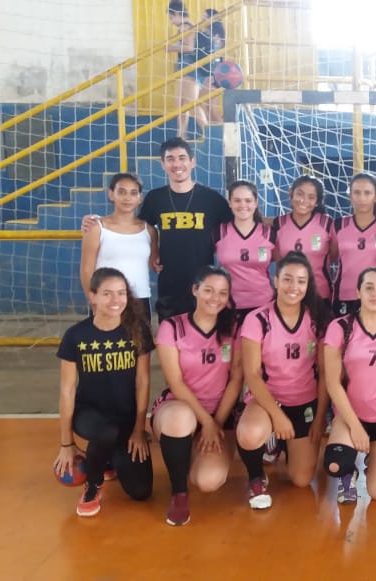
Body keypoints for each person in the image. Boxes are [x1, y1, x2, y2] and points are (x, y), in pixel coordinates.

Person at [54, 267, 154, 517]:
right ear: (92, 296)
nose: (115, 300)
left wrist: (139, 431)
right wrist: (67, 443)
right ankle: (93, 483)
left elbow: (143, 381)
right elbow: (67, 390)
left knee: (141, 491)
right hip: (90, 415)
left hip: (126, 419)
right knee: (104, 431)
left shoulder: (137, 331)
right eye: (107, 294)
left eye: (121, 293)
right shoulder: (76, 336)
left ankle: (110, 458)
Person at [236, 252, 332, 509]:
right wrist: (277, 415)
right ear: (275, 281)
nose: (294, 287)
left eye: (301, 281)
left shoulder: (318, 318)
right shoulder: (257, 319)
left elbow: (325, 373)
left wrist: (321, 416)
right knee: (249, 434)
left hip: (305, 402)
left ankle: (280, 443)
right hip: (268, 401)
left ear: (308, 284)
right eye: (287, 279)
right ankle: (256, 477)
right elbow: (252, 374)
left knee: (301, 480)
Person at [151, 266, 244, 526]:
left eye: (223, 293)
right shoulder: (172, 326)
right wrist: (207, 423)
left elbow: (237, 379)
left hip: (220, 414)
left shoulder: (234, 328)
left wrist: (217, 422)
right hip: (179, 407)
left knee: (208, 481)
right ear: (195, 290)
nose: (215, 298)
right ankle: (179, 493)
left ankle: (189, 451)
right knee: (180, 420)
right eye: (209, 290)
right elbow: (176, 383)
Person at [322, 267, 376, 504]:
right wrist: (356, 427)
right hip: (350, 416)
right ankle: (348, 472)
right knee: (335, 464)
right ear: (357, 291)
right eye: (369, 287)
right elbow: (332, 383)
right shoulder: (339, 328)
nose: (375, 293)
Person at [138, 138, 232, 321]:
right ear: (163, 164)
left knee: (202, 343)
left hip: (204, 284)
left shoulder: (211, 199)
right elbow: (143, 226)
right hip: (169, 285)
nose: (177, 164)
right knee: (170, 342)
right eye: (170, 159)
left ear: (192, 161)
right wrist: (154, 249)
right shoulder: (155, 198)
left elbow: (240, 221)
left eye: (182, 157)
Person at [80, 173, 157, 322]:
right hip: (106, 300)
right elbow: (86, 269)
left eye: (133, 193)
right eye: (121, 192)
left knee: (138, 345)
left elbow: (155, 262)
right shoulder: (96, 228)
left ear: (139, 198)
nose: (127, 198)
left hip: (139, 299)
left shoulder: (150, 231)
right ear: (111, 194)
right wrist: (94, 301)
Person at [329, 173, 376, 316]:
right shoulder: (339, 225)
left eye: (367, 193)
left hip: (375, 295)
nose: (362, 198)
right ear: (350, 196)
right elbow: (330, 258)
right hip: (345, 294)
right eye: (357, 193)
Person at [215, 181, 276, 323]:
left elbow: (278, 258)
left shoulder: (269, 234)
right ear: (229, 203)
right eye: (237, 200)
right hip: (228, 305)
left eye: (248, 200)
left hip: (263, 304)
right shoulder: (219, 232)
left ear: (255, 203)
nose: (243, 205)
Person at [273, 176, 334, 302]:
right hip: (288, 293)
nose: (304, 200)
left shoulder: (327, 224)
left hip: (319, 294)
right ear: (291, 193)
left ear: (317, 201)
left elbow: (334, 254)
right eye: (299, 194)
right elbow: (278, 259)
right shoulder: (279, 223)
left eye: (311, 197)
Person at [166, 1, 211, 139]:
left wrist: (170, 48)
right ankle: (181, 135)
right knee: (180, 103)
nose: (171, 21)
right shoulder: (187, 26)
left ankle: (208, 132)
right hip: (184, 67)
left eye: (171, 17)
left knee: (192, 103)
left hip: (189, 67)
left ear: (178, 14)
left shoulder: (186, 26)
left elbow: (190, 47)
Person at [199, 8, 226, 124]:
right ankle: (216, 128)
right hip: (210, 75)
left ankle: (219, 130)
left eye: (205, 17)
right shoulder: (207, 35)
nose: (202, 19)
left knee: (200, 102)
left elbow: (215, 58)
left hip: (212, 76)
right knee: (210, 107)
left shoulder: (216, 37)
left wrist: (211, 76)